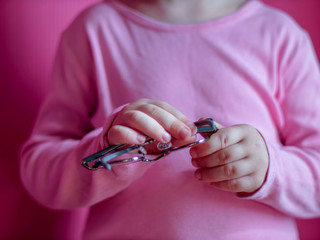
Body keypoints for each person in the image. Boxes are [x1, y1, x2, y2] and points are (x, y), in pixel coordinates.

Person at [20, 0, 320, 239]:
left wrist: (270, 169)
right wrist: (111, 149)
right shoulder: (94, 30)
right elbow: (40, 173)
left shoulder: (280, 34)